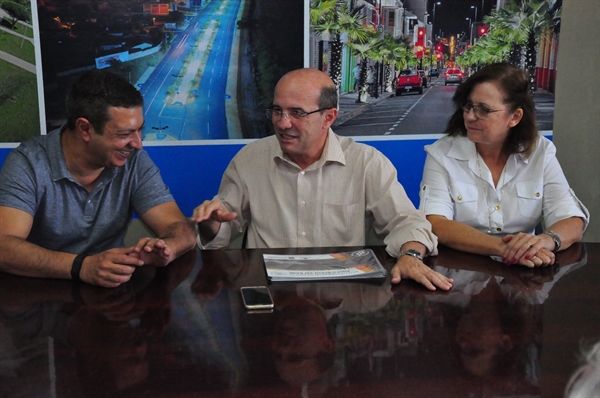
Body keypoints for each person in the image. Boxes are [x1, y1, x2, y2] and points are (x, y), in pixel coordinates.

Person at [191, 68, 453, 291]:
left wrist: (410, 255)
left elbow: (406, 222)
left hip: (340, 291)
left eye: (297, 113)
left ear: (329, 117)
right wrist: (211, 225)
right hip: (271, 292)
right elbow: (220, 237)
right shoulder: (250, 159)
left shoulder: (366, 162)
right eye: (277, 110)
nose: (282, 124)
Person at [0, 70, 196, 288]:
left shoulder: (134, 161)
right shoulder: (27, 162)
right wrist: (82, 266)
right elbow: (4, 248)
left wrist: (166, 248)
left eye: (140, 130)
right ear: (85, 129)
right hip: (41, 294)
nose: (138, 144)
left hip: (110, 295)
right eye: (124, 134)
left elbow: (182, 230)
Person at [419, 62, 589, 268]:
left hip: (527, 273)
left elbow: (572, 220)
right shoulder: (442, 154)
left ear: (515, 117)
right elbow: (436, 224)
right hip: (460, 277)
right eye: (469, 106)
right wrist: (503, 248)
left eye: (483, 110)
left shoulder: (540, 152)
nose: (470, 116)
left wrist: (544, 241)